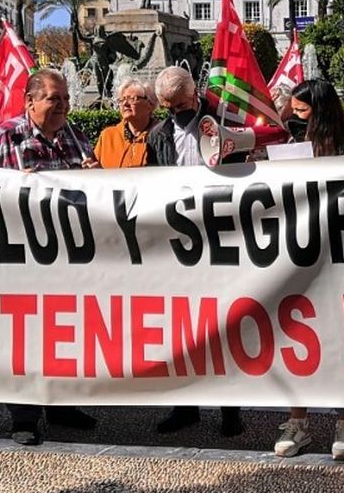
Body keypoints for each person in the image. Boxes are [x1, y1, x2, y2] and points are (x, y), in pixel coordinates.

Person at [0, 69, 101, 445]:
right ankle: (24, 417)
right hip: (21, 261)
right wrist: (13, 187)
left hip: (66, 260)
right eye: (53, 99)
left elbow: (99, 195)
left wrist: (99, 176)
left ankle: (61, 406)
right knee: (25, 339)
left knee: (63, 334)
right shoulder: (4, 137)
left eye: (65, 99)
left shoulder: (76, 137)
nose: (62, 106)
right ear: (29, 102)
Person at [272, 78, 344, 460]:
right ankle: (298, 422)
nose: (295, 119)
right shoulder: (291, 147)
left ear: (321, 111)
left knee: (341, 345)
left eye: (302, 112)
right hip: (298, 262)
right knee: (299, 344)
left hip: (342, 263)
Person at [147, 65, 245, 437]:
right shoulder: (158, 136)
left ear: (193, 95)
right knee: (181, 328)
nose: (176, 112)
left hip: (219, 240)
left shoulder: (222, 123)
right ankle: (185, 406)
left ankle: (230, 409)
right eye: (168, 107)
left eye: (180, 104)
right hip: (178, 246)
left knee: (221, 326)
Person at [94, 76, 159, 168]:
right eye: (122, 100)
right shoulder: (107, 137)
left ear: (150, 104)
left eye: (132, 99)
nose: (125, 104)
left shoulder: (161, 137)